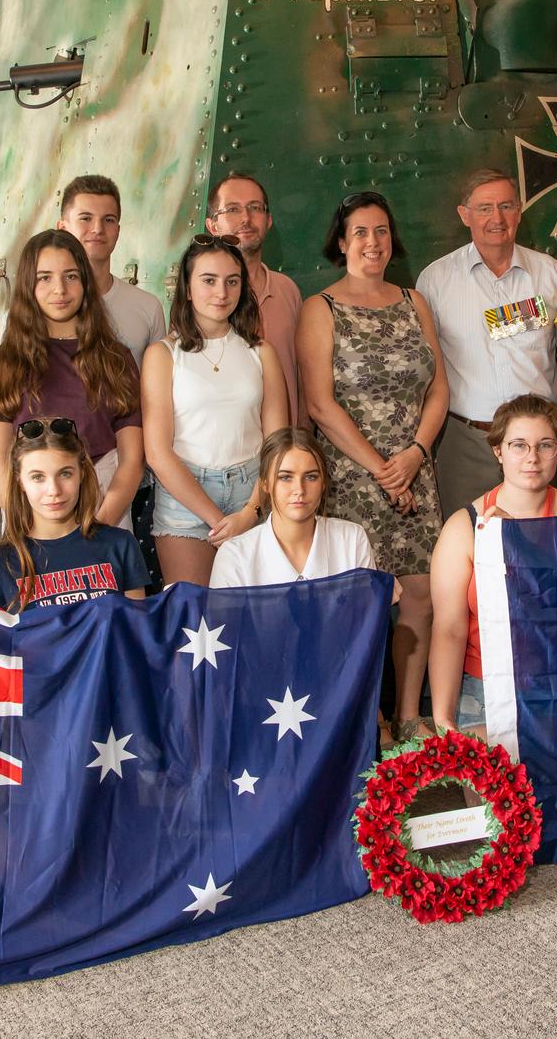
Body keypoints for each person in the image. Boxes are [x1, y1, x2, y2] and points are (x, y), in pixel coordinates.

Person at [298, 190, 448, 736]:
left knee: (422, 597)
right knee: (360, 602)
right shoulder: (321, 309)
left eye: (381, 231)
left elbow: (439, 388)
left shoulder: (414, 301)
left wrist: (414, 455)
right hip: (350, 480)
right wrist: (382, 469)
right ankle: (371, 719)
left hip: (415, 472)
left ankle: (410, 717)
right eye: (360, 232)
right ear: (341, 243)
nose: (372, 242)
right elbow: (320, 403)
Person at [427, 395, 557, 733]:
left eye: (545, 445)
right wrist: (442, 716)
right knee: (491, 787)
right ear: (499, 451)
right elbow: (449, 629)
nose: (532, 458)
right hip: (485, 688)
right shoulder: (464, 527)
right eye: (519, 445)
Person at [417, 167, 557, 513]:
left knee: (544, 544)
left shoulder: (552, 276)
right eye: (485, 208)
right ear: (464, 215)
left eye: (506, 206)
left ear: (519, 211)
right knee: (469, 544)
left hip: (540, 445)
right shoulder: (435, 280)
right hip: (468, 442)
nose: (496, 218)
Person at [140, 235, 289, 585]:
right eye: (208, 280)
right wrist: (216, 517)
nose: (221, 292)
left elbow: (278, 443)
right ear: (188, 288)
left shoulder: (260, 351)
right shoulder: (163, 355)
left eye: (232, 281)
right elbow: (158, 452)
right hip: (184, 501)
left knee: (251, 621)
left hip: (254, 493)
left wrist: (250, 512)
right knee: (195, 625)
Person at [0, 229, 143, 527]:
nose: (60, 290)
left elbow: (131, 461)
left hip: (104, 510)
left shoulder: (116, 360)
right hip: (29, 519)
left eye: (71, 276)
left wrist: (99, 529)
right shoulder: (5, 363)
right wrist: (36, 527)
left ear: (85, 282)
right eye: (45, 278)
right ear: (28, 285)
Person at [0, 418, 148, 613]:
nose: (53, 490)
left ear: (81, 473)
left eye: (65, 474)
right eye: (38, 477)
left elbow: (138, 630)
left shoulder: (120, 545)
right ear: (20, 481)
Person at [209, 428, 378, 588]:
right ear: (265, 484)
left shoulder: (352, 539)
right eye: (285, 477)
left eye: (311, 477)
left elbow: (365, 615)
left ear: (323, 483)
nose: (299, 490)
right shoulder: (234, 556)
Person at [206, 172, 304, 423]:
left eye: (255, 208)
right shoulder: (199, 298)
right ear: (212, 226)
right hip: (226, 453)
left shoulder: (287, 291)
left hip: (285, 451)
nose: (246, 218)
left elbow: (301, 377)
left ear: (268, 220)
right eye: (233, 209)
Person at [57, 175, 167, 364]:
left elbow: (157, 387)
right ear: (63, 229)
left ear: (118, 230)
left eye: (108, 220)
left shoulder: (148, 308)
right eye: (86, 218)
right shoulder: (39, 307)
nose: (98, 228)